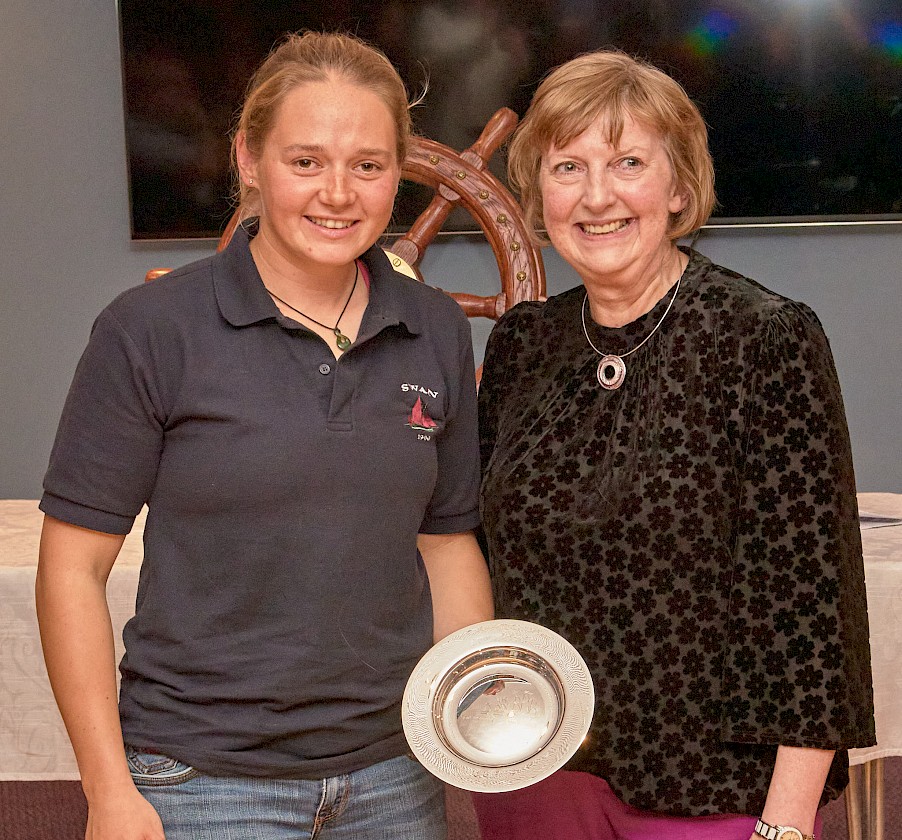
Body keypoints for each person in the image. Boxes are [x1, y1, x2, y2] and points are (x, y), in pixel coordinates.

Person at [35, 31, 492, 840]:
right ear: (249, 159)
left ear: (399, 173)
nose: (338, 193)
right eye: (306, 161)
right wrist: (108, 789)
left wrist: (462, 735)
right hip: (200, 781)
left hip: (395, 775)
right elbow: (73, 567)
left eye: (369, 165)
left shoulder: (436, 330)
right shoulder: (150, 329)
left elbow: (447, 545)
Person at [473, 50, 874, 840]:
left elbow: (815, 609)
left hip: (716, 795)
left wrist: (785, 826)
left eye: (628, 163)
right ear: (538, 195)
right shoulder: (523, 346)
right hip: (537, 775)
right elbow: (477, 559)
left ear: (679, 186)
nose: (597, 196)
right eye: (568, 167)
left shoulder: (763, 339)